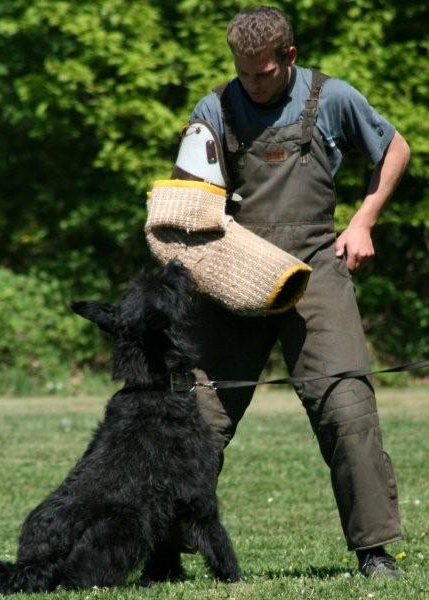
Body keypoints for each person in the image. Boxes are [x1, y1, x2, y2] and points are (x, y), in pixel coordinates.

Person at [182, 6, 410, 578]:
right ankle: (167, 546)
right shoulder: (213, 108)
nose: (251, 84)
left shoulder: (332, 98)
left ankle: (375, 551)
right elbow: (191, 194)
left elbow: (396, 149)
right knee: (199, 413)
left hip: (314, 266)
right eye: (242, 72)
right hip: (237, 269)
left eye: (262, 73)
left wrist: (363, 222)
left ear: (289, 56)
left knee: (346, 406)